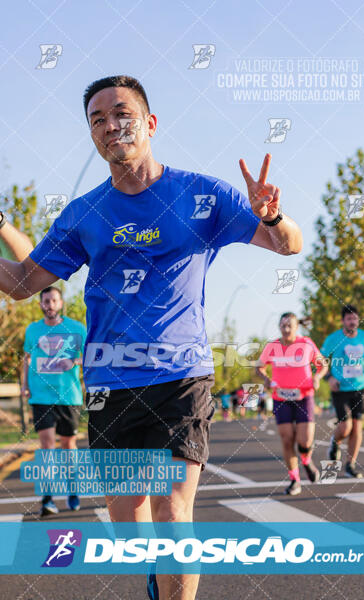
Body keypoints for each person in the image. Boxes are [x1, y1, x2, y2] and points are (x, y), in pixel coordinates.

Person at [0, 75, 302, 600]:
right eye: (97, 120)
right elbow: (24, 283)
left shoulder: (205, 195)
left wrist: (272, 214)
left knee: (172, 512)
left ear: (150, 123)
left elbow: (287, 245)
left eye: (121, 113)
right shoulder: (84, 214)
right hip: (109, 382)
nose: (110, 125)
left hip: (180, 375)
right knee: (130, 525)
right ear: (93, 137)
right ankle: (157, 577)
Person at [21, 286, 86, 516]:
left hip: (69, 396)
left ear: (60, 303)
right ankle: (47, 498)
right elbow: (27, 359)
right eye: (45, 301)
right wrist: (24, 385)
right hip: (41, 396)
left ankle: (73, 488)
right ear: (41, 304)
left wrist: (74, 362)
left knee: (68, 446)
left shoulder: (76, 329)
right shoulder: (33, 330)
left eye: (53, 301)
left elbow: (88, 356)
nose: (49, 305)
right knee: (47, 446)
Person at [257, 313, 328, 495]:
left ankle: (306, 460)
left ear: (297, 327)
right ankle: (294, 480)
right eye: (283, 325)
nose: (286, 329)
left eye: (290, 326)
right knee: (287, 440)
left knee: (304, 442)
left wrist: (318, 377)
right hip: (281, 398)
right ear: (279, 326)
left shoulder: (306, 343)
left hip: (304, 397)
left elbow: (322, 365)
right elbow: (259, 366)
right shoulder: (272, 346)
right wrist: (265, 378)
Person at [321, 305, 364, 479]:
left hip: (360, 388)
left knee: (357, 429)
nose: (352, 322)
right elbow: (319, 360)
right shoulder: (333, 339)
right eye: (349, 319)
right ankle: (335, 442)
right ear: (342, 321)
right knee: (345, 427)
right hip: (340, 389)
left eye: (355, 319)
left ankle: (350, 465)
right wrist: (329, 377)